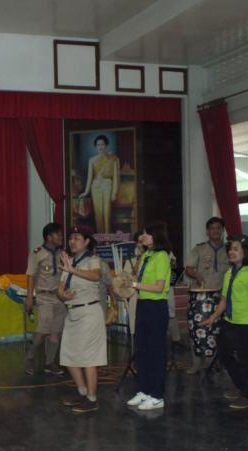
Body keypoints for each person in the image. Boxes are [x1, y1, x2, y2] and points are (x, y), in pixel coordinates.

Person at [201, 234, 248, 409]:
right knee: (224, 354)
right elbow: (223, 300)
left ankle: (247, 396)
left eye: (236, 249)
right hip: (230, 320)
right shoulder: (229, 273)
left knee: (245, 359)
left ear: (246, 252)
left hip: (247, 323)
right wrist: (213, 317)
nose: (231, 252)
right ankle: (242, 386)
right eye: (230, 249)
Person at [57, 226, 107, 413]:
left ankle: (92, 399)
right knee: (68, 355)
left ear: (86, 241)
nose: (72, 241)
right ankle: (82, 392)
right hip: (72, 313)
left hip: (89, 313)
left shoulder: (93, 260)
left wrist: (73, 269)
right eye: (70, 238)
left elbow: (96, 276)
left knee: (88, 358)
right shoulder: (68, 261)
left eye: (77, 238)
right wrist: (63, 295)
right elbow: (60, 288)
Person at [125, 223, 171, 411]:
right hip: (143, 304)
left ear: (155, 236)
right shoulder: (146, 255)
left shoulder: (162, 256)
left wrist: (134, 285)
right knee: (142, 349)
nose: (142, 236)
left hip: (156, 306)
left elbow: (159, 287)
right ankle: (144, 390)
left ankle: (157, 395)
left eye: (146, 234)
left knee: (156, 352)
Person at [184, 217, 230, 373]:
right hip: (201, 297)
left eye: (218, 228)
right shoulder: (199, 249)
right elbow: (188, 269)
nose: (215, 231)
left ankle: (214, 362)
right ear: (207, 231)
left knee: (219, 330)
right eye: (212, 228)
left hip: (222, 296)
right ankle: (196, 363)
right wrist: (196, 275)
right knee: (197, 329)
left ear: (222, 230)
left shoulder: (229, 250)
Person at [24, 223, 66, 376]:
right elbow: (31, 275)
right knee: (42, 331)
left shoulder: (62, 254)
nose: (61, 237)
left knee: (56, 332)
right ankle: (30, 356)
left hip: (59, 297)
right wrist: (30, 297)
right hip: (44, 297)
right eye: (57, 234)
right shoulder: (37, 253)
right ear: (49, 237)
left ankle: (50, 363)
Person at [79, 134, 120, 233]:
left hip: (108, 186)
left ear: (106, 145)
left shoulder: (114, 159)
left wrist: (114, 193)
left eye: (102, 144)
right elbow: (90, 178)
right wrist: (86, 191)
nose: (100, 147)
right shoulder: (92, 160)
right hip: (95, 187)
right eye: (98, 145)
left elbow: (116, 177)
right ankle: (100, 238)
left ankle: (108, 238)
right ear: (96, 146)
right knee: (98, 214)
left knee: (107, 213)